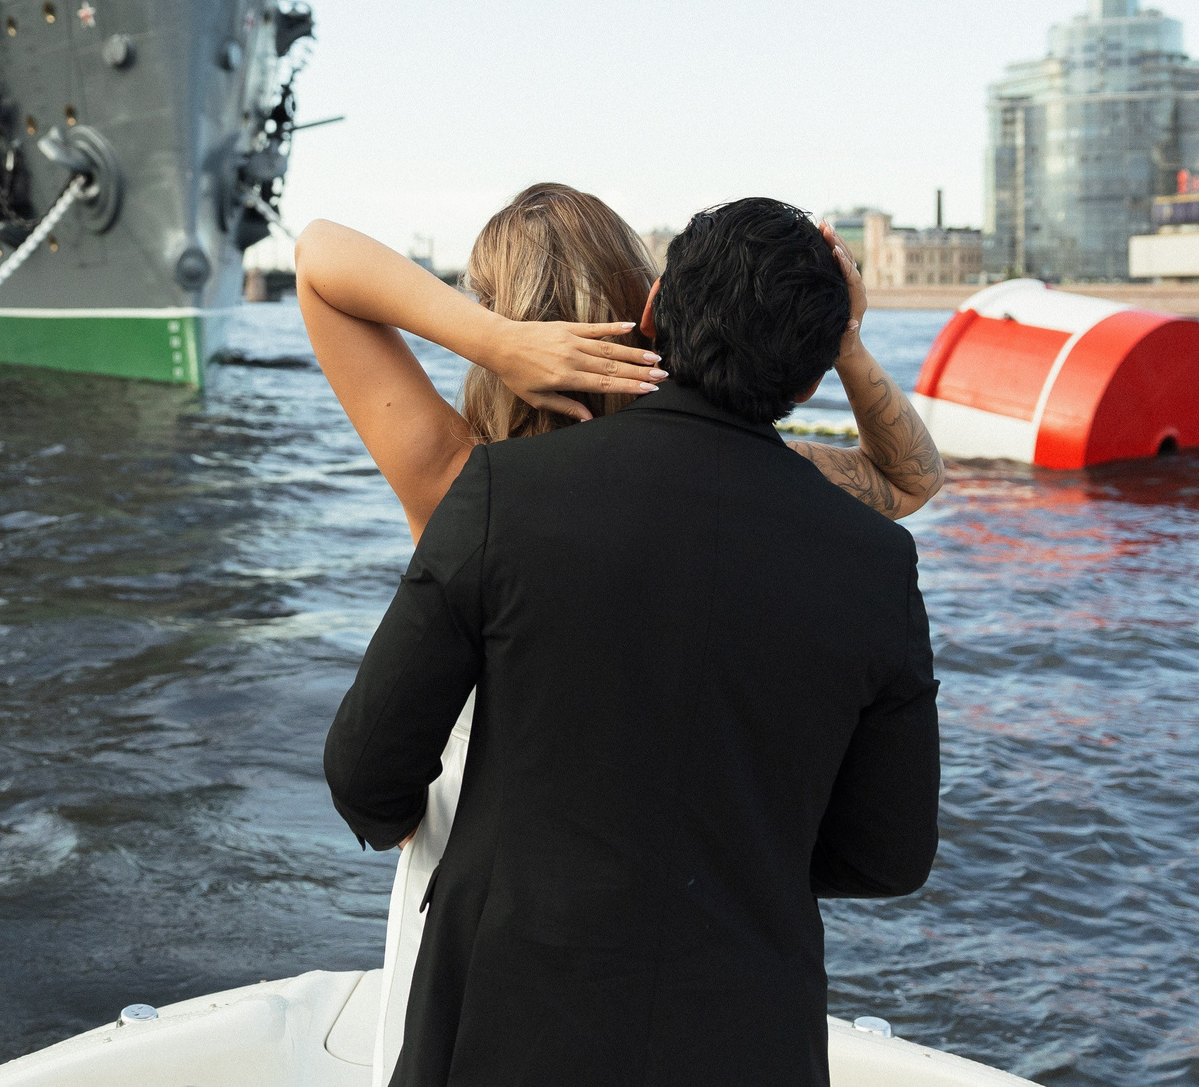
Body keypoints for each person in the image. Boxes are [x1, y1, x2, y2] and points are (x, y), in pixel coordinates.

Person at [296, 188, 944, 1086]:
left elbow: (321, 257)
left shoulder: (467, 481)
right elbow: (906, 479)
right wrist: (839, 338)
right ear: (643, 305)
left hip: (499, 951)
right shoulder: (792, 498)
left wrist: (492, 344)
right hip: (728, 995)